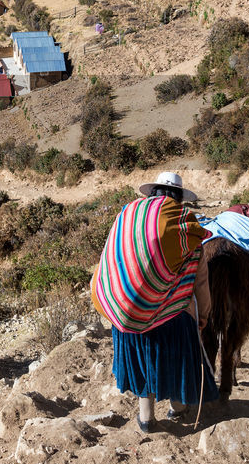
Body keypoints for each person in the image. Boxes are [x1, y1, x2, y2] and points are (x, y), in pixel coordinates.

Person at [92, 171, 217, 433]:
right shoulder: (186, 225)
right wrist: (203, 314)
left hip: (125, 307)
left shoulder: (128, 215)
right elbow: (200, 280)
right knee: (178, 351)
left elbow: (114, 254)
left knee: (141, 355)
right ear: (179, 199)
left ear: (153, 193)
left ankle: (146, 417)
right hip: (172, 314)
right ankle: (179, 407)